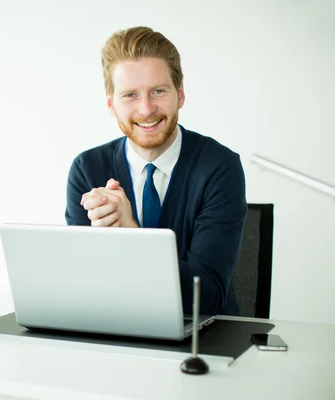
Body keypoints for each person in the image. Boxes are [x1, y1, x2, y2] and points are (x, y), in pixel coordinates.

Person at [64, 26, 247, 316]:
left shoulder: (220, 168)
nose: (146, 109)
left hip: (205, 343)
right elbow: (83, 288)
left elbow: (208, 296)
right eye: (130, 95)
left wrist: (129, 234)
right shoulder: (87, 170)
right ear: (111, 104)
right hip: (117, 332)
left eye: (158, 91)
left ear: (180, 95)